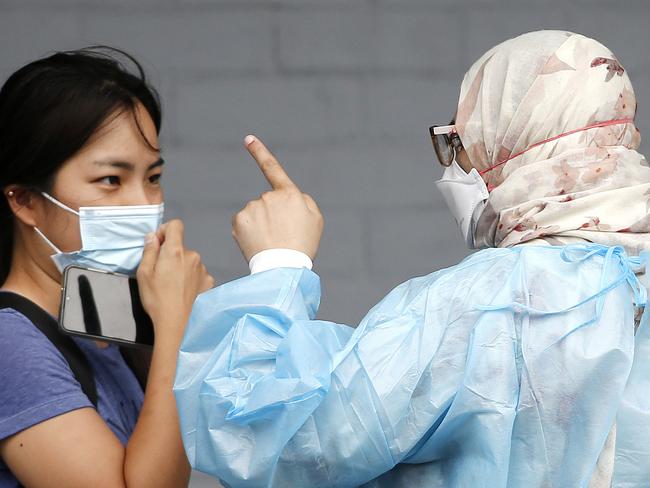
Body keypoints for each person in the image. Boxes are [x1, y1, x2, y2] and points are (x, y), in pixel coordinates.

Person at [174, 30, 650, 487]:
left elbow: (267, 441)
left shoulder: (488, 304)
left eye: (459, 143)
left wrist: (277, 263)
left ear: (511, 143)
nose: (453, 167)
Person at [0, 47, 214, 487]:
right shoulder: (10, 345)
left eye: (152, 178)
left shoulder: (106, 332)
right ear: (25, 201)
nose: (143, 204)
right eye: (110, 180)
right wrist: (176, 324)